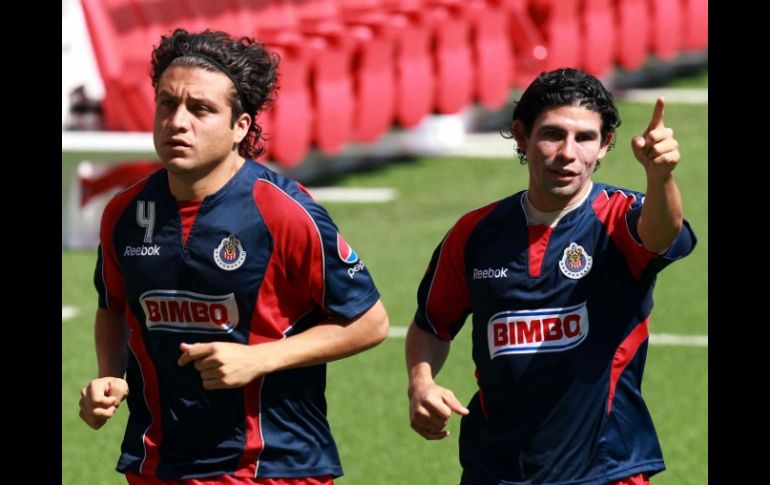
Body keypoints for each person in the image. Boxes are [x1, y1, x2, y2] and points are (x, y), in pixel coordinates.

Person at [78, 28, 389, 485]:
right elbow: (115, 308)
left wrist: (260, 359)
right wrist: (109, 376)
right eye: (167, 103)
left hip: (271, 467)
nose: (177, 121)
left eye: (200, 109)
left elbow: (370, 322)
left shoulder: (283, 211)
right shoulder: (124, 213)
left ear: (239, 127)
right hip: (159, 464)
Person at [405, 68, 696, 485]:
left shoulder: (620, 218)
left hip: (605, 470)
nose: (567, 152)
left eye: (585, 138)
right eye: (553, 134)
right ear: (522, 136)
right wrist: (421, 383)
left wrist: (661, 176)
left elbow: (659, 235)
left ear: (605, 146)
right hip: (495, 470)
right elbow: (432, 324)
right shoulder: (475, 233)